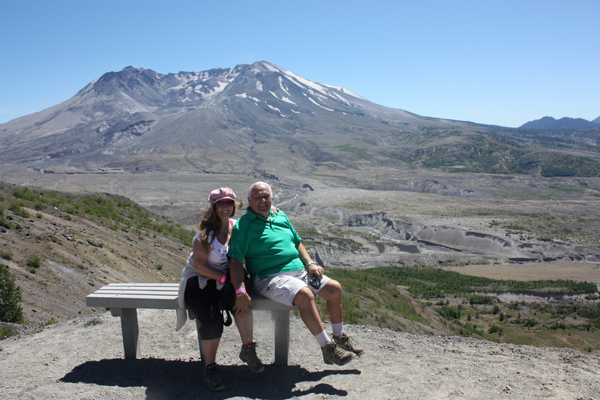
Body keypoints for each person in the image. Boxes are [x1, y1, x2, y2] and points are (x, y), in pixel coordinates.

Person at [229, 182, 364, 366]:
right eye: (258, 197)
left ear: (271, 198)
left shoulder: (279, 215)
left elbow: (297, 242)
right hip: (270, 278)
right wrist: (240, 291)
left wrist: (310, 263)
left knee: (334, 289)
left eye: (266, 197)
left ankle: (339, 337)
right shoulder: (244, 226)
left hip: (299, 272)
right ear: (249, 200)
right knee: (305, 295)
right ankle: (328, 348)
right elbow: (235, 261)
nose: (263, 200)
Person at [175, 187, 264, 392]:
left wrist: (272, 208)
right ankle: (210, 369)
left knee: (243, 301)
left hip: (227, 276)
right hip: (200, 279)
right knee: (212, 321)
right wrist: (224, 278)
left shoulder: (236, 227)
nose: (226, 207)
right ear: (214, 206)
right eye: (221, 203)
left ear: (234, 205)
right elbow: (199, 265)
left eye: (229, 203)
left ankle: (248, 349)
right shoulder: (205, 233)